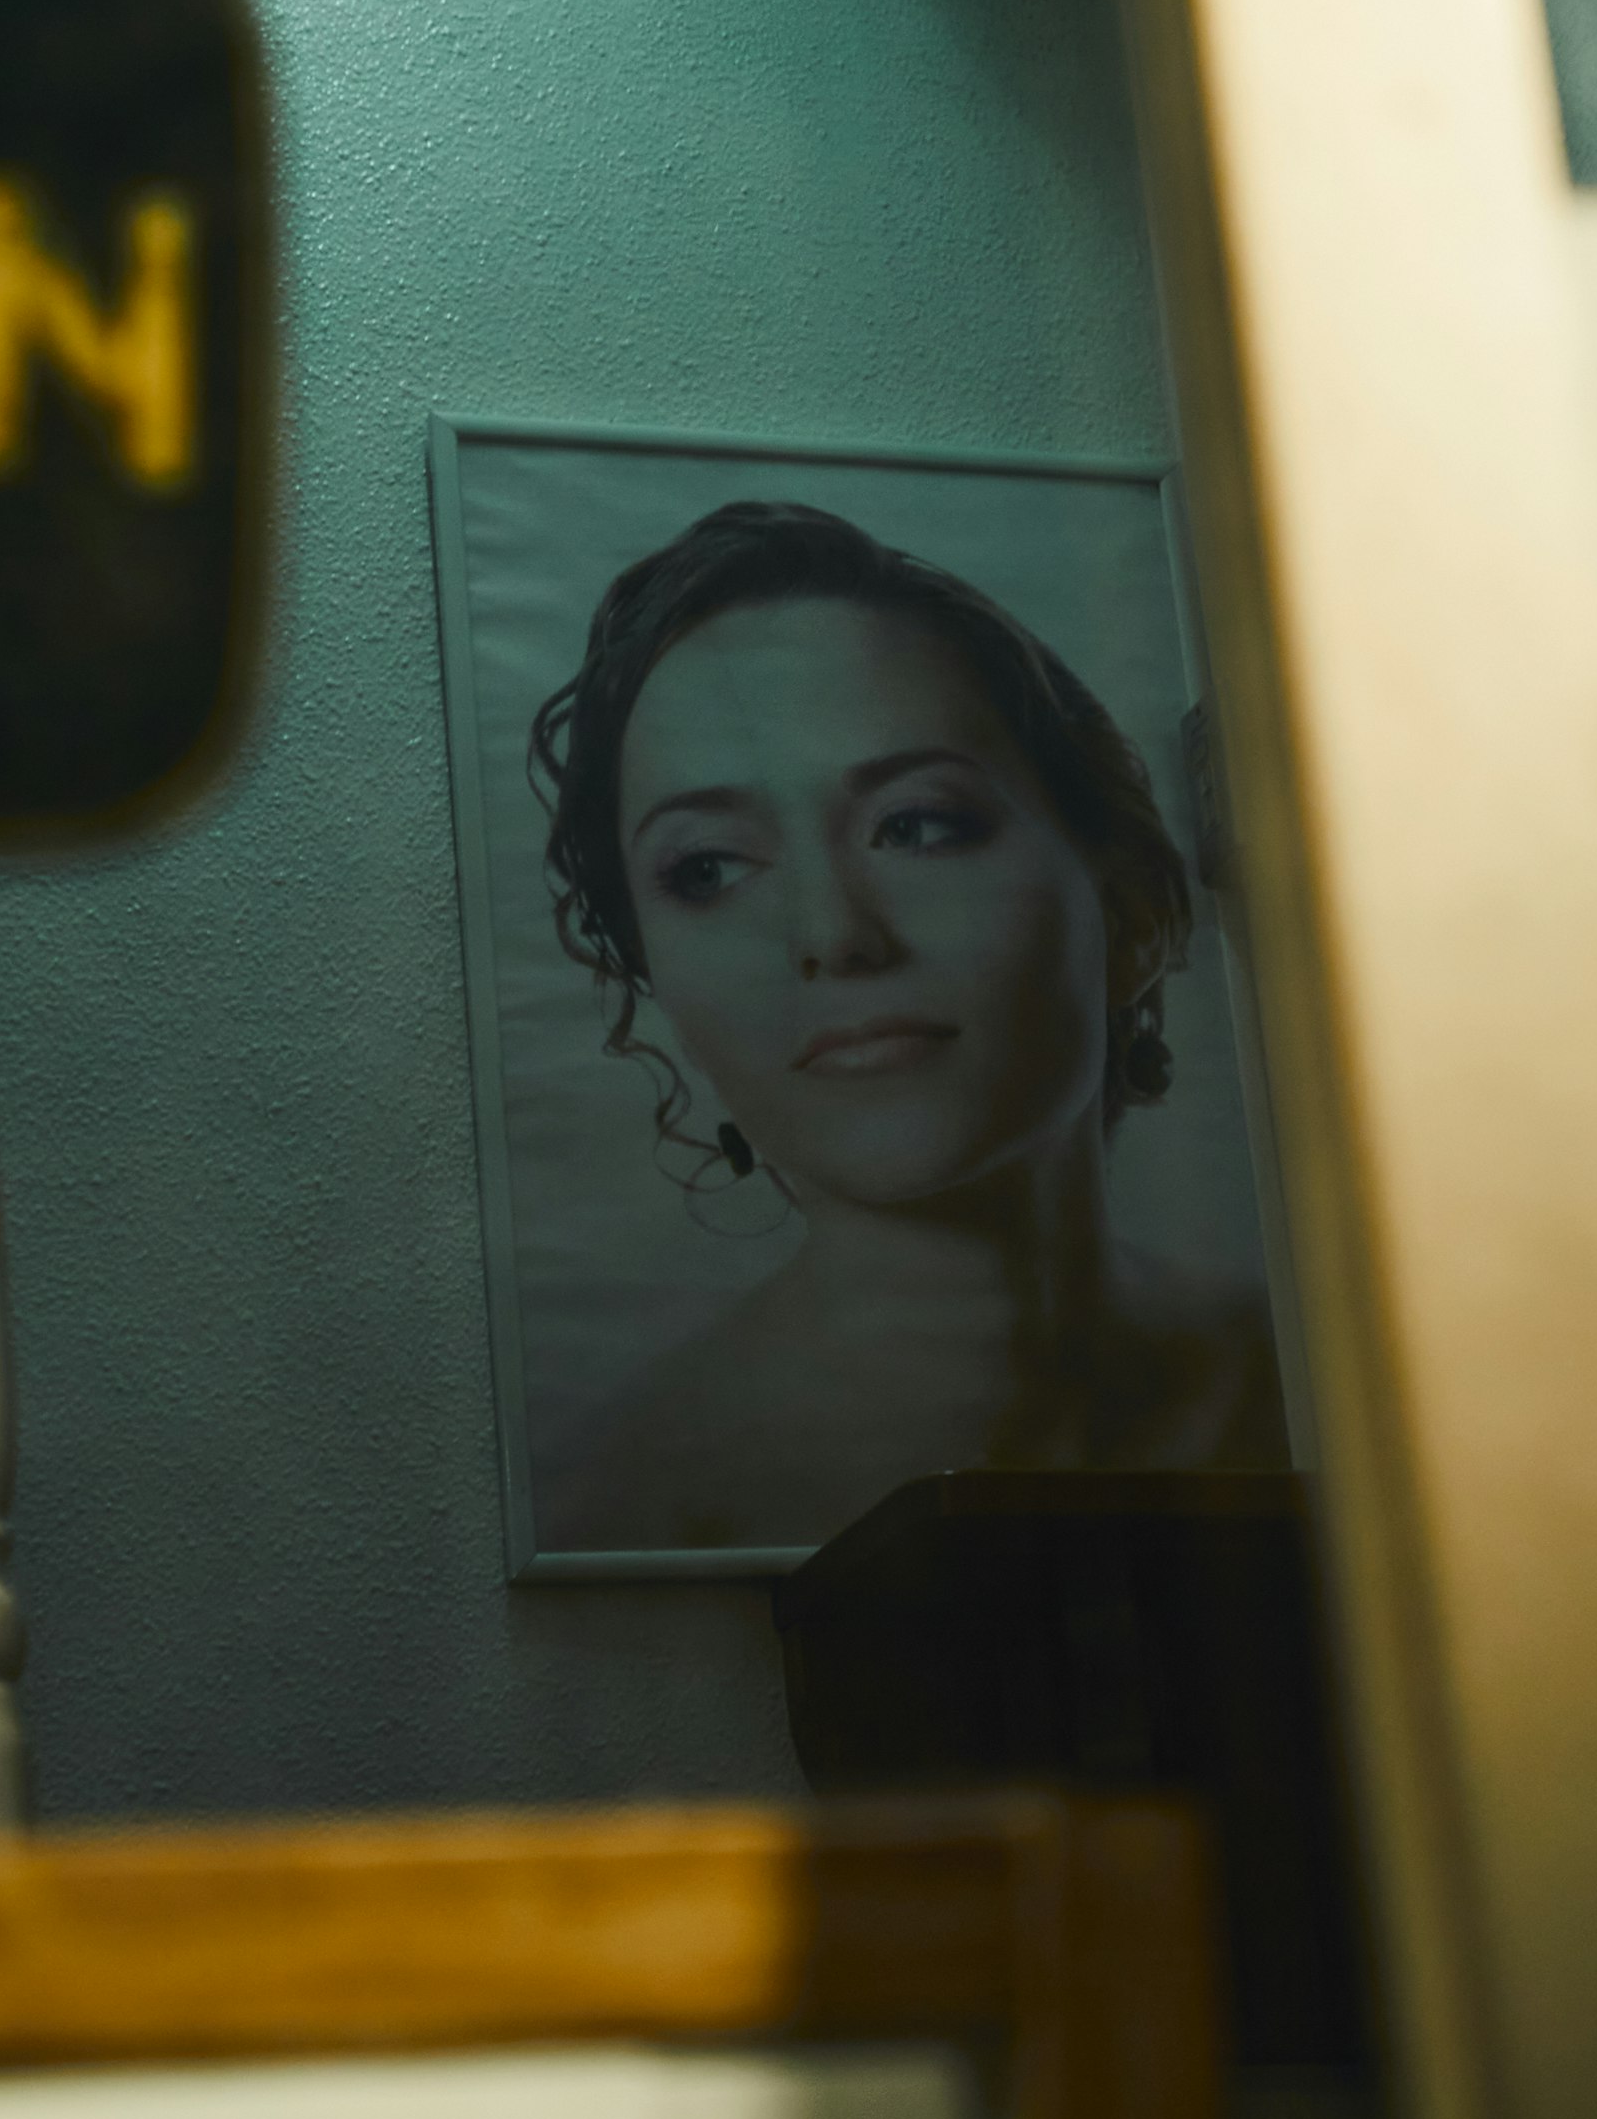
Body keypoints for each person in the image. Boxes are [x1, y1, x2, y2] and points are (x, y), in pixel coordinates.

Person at [530, 500, 1283, 1552]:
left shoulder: (1333, 1393)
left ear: (1133, 906)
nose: (834, 936)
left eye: (918, 826)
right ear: (656, 979)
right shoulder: (634, 1497)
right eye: (709, 870)